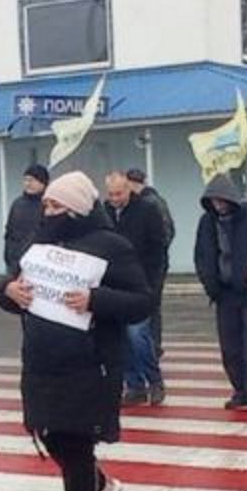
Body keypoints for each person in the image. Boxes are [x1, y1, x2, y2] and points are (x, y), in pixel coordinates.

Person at [0, 171, 152, 491]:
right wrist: (6, 292)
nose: (47, 212)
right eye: (46, 204)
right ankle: (101, 485)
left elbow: (140, 301)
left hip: (89, 361)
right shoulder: (39, 243)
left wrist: (96, 299)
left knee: (76, 442)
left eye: (56, 205)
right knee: (49, 436)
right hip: (42, 358)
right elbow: (15, 286)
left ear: (78, 209)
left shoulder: (111, 246)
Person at [193, 174, 247, 411]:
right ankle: (241, 389)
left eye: (222, 200)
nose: (218, 205)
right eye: (214, 201)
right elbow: (202, 254)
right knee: (230, 346)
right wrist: (210, 283)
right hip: (223, 292)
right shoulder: (207, 222)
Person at [104, 170, 168, 406]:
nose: (115, 199)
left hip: (141, 284)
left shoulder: (147, 210)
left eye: (119, 193)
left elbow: (158, 248)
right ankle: (134, 386)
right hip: (114, 286)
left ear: (129, 189)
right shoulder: (104, 212)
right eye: (111, 194)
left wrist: (152, 285)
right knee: (121, 338)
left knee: (138, 335)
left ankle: (154, 380)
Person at [127, 168, 174, 359]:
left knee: (150, 307)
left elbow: (165, 234)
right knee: (152, 307)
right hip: (154, 264)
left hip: (151, 265)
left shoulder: (150, 204)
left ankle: (152, 347)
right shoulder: (156, 200)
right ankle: (152, 346)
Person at [3, 164, 50, 270]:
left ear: (43, 183)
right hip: (15, 261)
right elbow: (9, 232)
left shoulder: (50, 204)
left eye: (32, 180)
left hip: (41, 261)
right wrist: (9, 256)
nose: (28, 184)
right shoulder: (17, 204)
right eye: (26, 180)